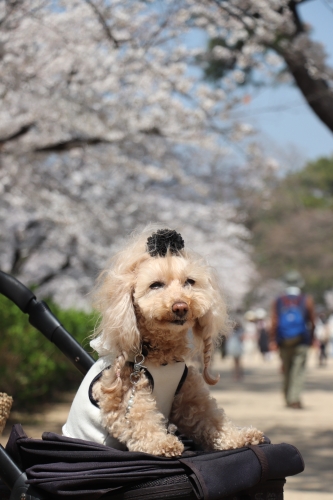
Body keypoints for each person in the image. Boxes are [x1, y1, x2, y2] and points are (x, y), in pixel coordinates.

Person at [270, 271, 315, 409]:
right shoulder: (306, 299)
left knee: (287, 369)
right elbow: (312, 321)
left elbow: (274, 322)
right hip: (301, 340)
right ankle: (294, 398)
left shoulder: (278, 300)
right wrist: (312, 338)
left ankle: (287, 396)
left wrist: (273, 340)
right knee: (298, 370)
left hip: (283, 340)